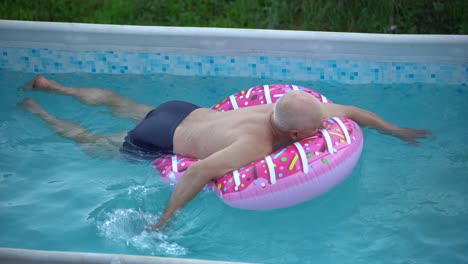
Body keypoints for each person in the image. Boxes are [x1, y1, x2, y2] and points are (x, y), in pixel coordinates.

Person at [18, 75, 430, 231]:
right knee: (92, 142)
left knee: (117, 101)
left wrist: (396, 131)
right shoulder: (257, 145)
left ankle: (55, 87)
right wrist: (163, 222)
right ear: (293, 133)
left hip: (183, 111)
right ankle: (36, 109)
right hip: (160, 139)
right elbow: (197, 174)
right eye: (316, 130)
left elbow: (353, 112)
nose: (324, 130)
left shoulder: (290, 109)